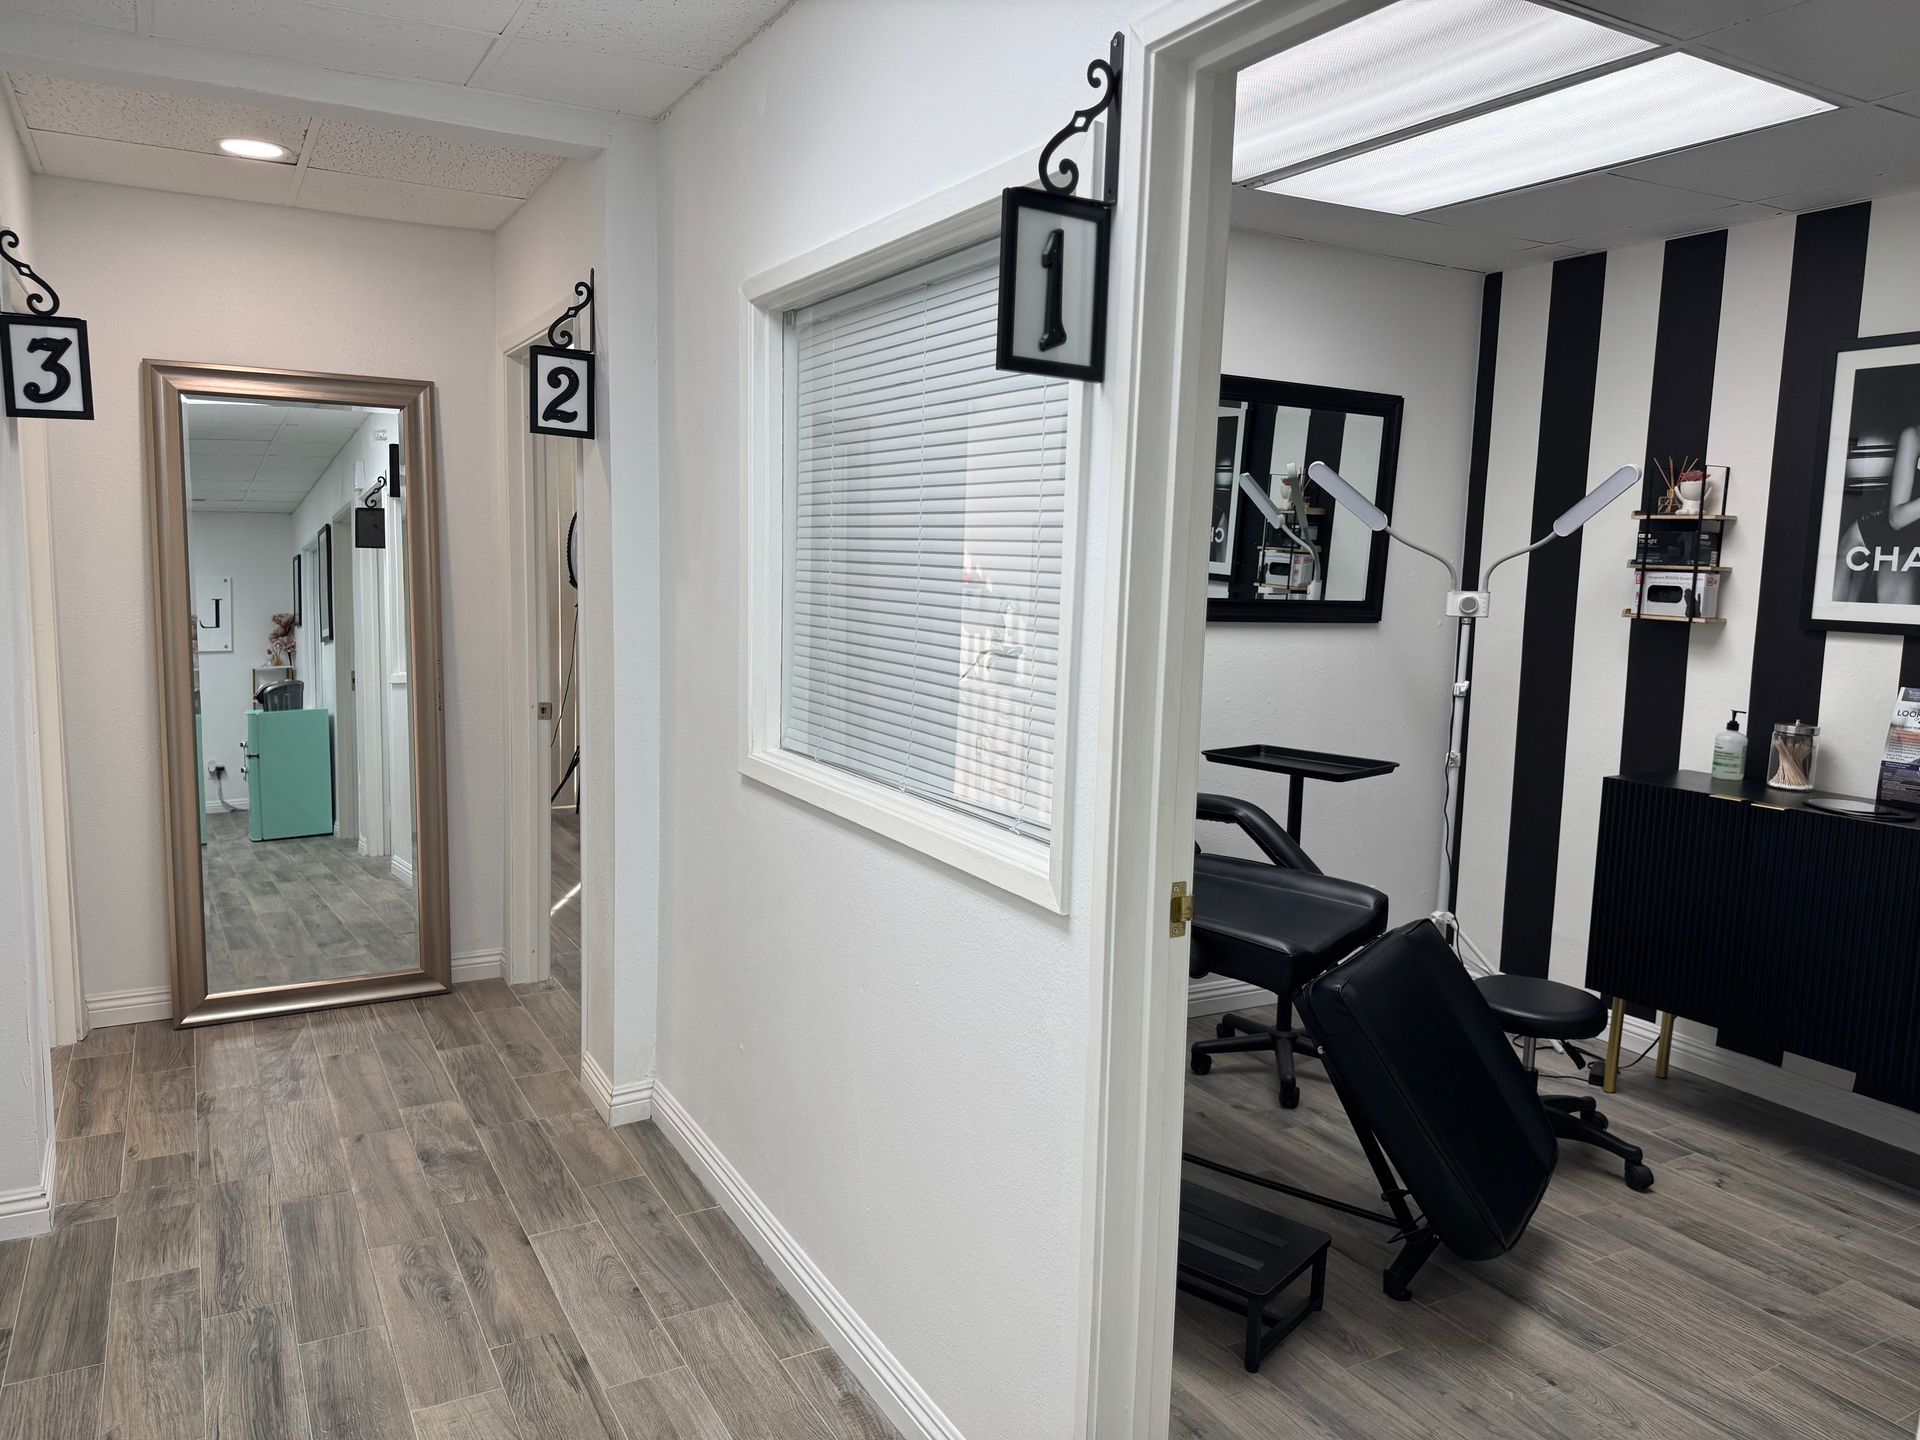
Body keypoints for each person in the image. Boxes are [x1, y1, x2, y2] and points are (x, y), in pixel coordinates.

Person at [1838, 424, 1920, 604]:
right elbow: (1896, 519)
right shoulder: (1914, 436)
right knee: (1832, 614)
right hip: (1869, 539)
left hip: (1911, 546)